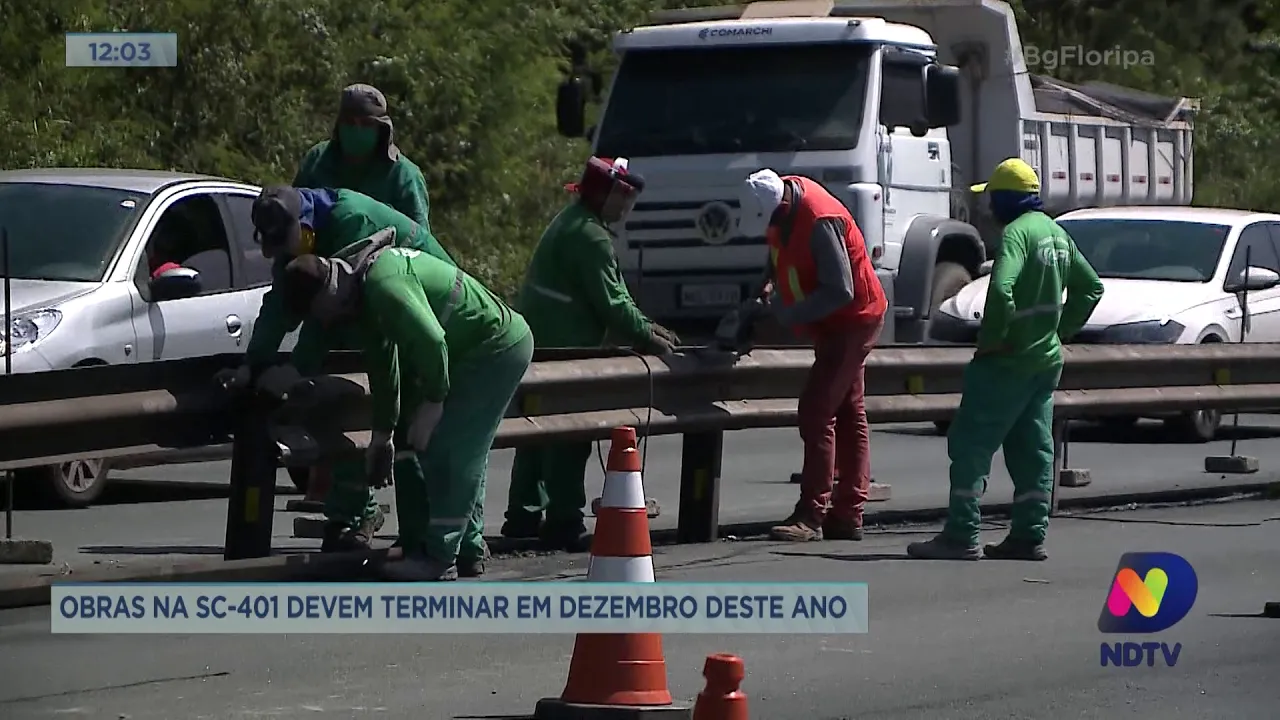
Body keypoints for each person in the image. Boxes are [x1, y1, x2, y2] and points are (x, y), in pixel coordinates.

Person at [218, 185, 458, 559]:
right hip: (372, 306)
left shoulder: (352, 224)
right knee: (341, 404)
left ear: (304, 224)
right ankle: (370, 523)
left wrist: (383, 431)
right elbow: (284, 299)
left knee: (420, 427)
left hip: (422, 305)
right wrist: (254, 364)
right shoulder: (299, 240)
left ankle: (453, 541)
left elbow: (378, 346)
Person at [276, 243, 533, 581]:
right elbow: (385, 369)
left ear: (326, 298)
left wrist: (435, 401)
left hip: (495, 348)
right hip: (470, 348)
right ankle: (462, 551)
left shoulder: (385, 286)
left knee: (451, 448)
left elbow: (433, 340)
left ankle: (441, 558)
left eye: (316, 314)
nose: (322, 324)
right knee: (433, 445)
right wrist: (383, 435)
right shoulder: (364, 293)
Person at [907, 158, 1103, 561]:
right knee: (1033, 449)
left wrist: (994, 339)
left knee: (971, 444)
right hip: (1044, 361)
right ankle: (1030, 534)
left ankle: (962, 534)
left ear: (1005, 200)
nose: (987, 208)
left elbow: (1001, 291)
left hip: (1007, 361)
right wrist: (1059, 331)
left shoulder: (1016, 235)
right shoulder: (1055, 233)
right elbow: (1090, 289)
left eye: (991, 198)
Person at [502, 156, 679, 551]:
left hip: (536, 342)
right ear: (606, 194)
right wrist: (649, 335)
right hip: (565, 348)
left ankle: (523, 515)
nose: (627, 207)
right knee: (569, 433)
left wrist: (644, 326)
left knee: (534, 432)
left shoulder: (571, 222)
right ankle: (564, 518)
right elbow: (613, 304)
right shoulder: (591, 237)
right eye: (624, 197)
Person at [735, 169, 888, 543]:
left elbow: (841, 290)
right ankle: (847, 514)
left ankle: (812, 515)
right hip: (834, 323)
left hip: (853, 319)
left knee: (817, 410)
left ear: (782, 208)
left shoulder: (819, 220)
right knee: (849, 412)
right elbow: (776, 257)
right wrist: (764, 291)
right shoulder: (778, 205)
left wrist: (788, 315)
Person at [294, 84, 432, 231]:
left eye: (366, 124)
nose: (357, 130)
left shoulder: (404, 176)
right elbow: (293, 210)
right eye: (349, 122)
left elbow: (418, 239)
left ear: (381, 128)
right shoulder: (318, 158)